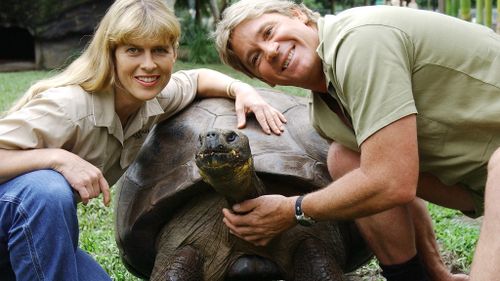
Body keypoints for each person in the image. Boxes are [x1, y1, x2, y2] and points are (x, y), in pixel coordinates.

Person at [0, 0, 287, 280]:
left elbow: (197, 78)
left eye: (159, 50)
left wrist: (241, 89)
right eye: (133, 50)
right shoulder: (69, 107)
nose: (148, 65)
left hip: (30, 234)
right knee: (46, 189)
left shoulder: (152, 99)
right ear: (111, 54)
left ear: (174, 53)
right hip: (17, 218)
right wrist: (58, 158)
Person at [214, 1, 500, 280]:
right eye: (256, 58)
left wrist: (293, 209)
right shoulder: (324, 115)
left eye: (269, 31)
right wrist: (438, 272)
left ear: (298, 14)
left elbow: (392, 181)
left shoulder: (359, 39)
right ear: (265, 80)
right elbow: (394, 181)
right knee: (345, 158)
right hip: (478, 186)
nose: (272, 50)